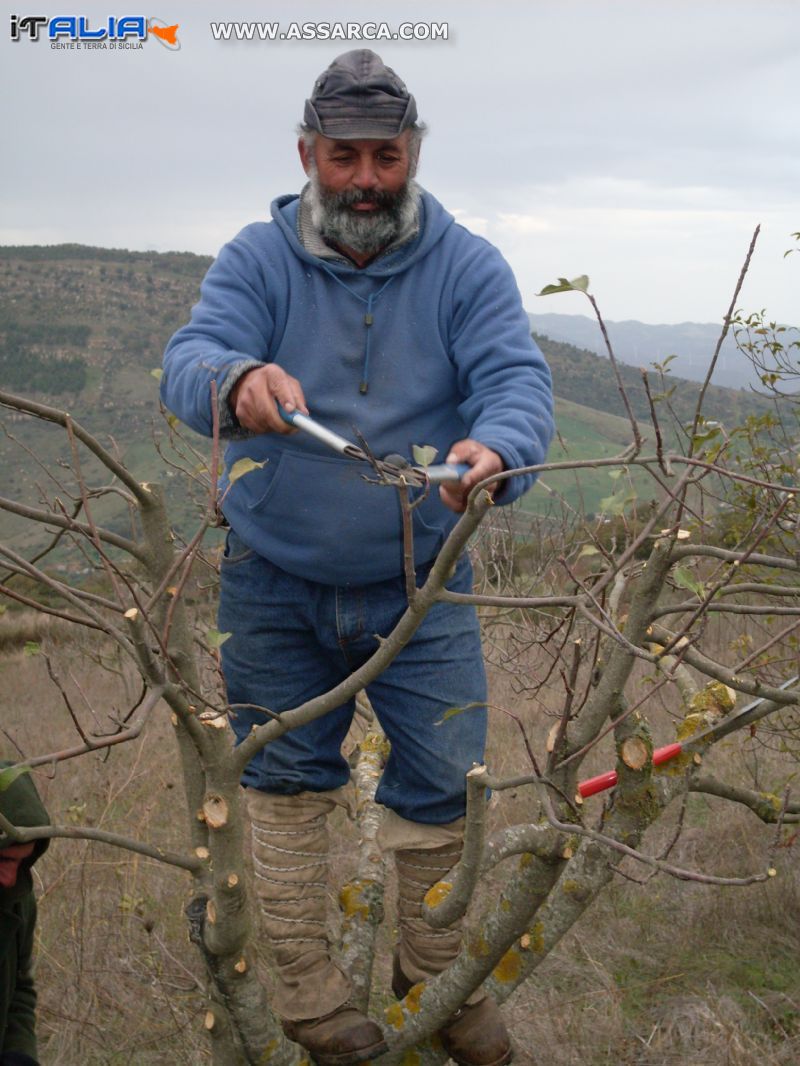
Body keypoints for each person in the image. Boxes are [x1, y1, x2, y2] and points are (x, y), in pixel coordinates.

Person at [162, 49, 553, 1066]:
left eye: (385, 156)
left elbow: (515, 378)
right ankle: (308, 1000)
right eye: (344, 156)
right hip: (270, 578)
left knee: (447, 780)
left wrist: (498, 448)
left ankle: (431, 978)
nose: (365, 179)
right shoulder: (256, 257)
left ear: (412, 154)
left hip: (422, 580)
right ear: (307, 153)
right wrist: (236, 379)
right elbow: (189, 358)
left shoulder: (466, 264)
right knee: (284, 780)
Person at [0, 765, 50, 1066]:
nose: (9, 877)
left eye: (21, 862)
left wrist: (19, 1054)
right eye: (3, 858)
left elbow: (19, 986)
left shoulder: (17, 899)